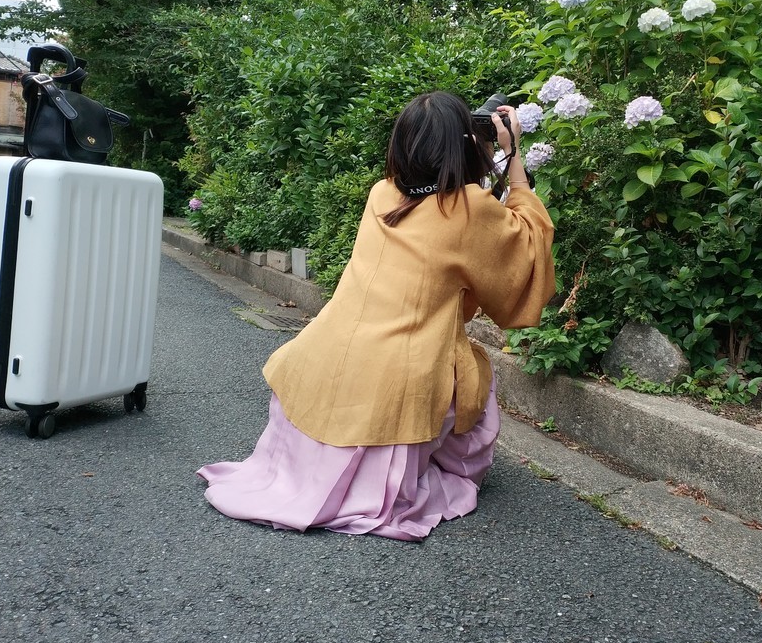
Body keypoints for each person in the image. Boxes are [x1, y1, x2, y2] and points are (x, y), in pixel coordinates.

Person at [197, 91, 556, 540]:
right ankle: (428, 465)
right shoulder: (470, 208)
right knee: (475, 375)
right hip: (397, 382)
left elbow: (443, 208)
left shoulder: (383, 193)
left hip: (321, 361)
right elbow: (524, 248)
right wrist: (511, 155)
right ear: (465, 142)